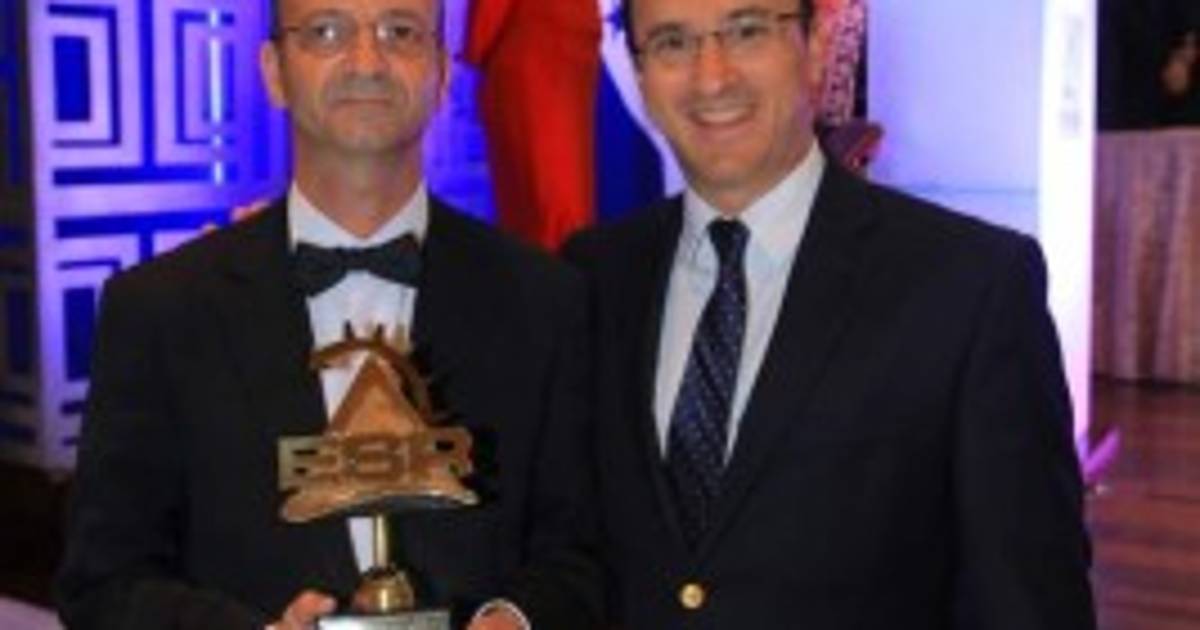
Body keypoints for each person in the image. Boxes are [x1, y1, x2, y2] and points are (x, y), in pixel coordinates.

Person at [56, 0, 599, 628]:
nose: (366, 61)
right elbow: (103, 584)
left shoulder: (544, 299)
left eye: (400, 31)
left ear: (442, 73)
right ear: (274, 71)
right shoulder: (159, 310)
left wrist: (514, 619)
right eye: (326, 31)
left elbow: (584, 553)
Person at [563, 0, 1097, 627]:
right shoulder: (591, 276)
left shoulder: (969, 286)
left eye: (747, 31)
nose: (711, 78)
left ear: (816, 44)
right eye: (672, 43)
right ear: (639, 73)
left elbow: (1028, 599)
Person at [464, 0, 602, 249]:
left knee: (537, 190)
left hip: (530, 51)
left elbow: (490, 16)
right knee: (562, 177)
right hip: (565, 41)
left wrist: (474, 50)